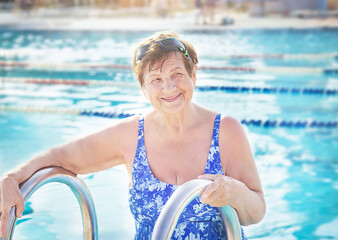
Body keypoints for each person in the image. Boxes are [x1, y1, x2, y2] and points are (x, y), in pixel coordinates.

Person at [0, 30, 266, 239]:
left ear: (193, 75)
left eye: (177, 74)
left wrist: (235, 193)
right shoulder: (130, 135)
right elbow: (62, 157)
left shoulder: (226, 131)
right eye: (156, 80)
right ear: (143, 88)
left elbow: (256, 211)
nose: (169, 87)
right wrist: (13, 177)